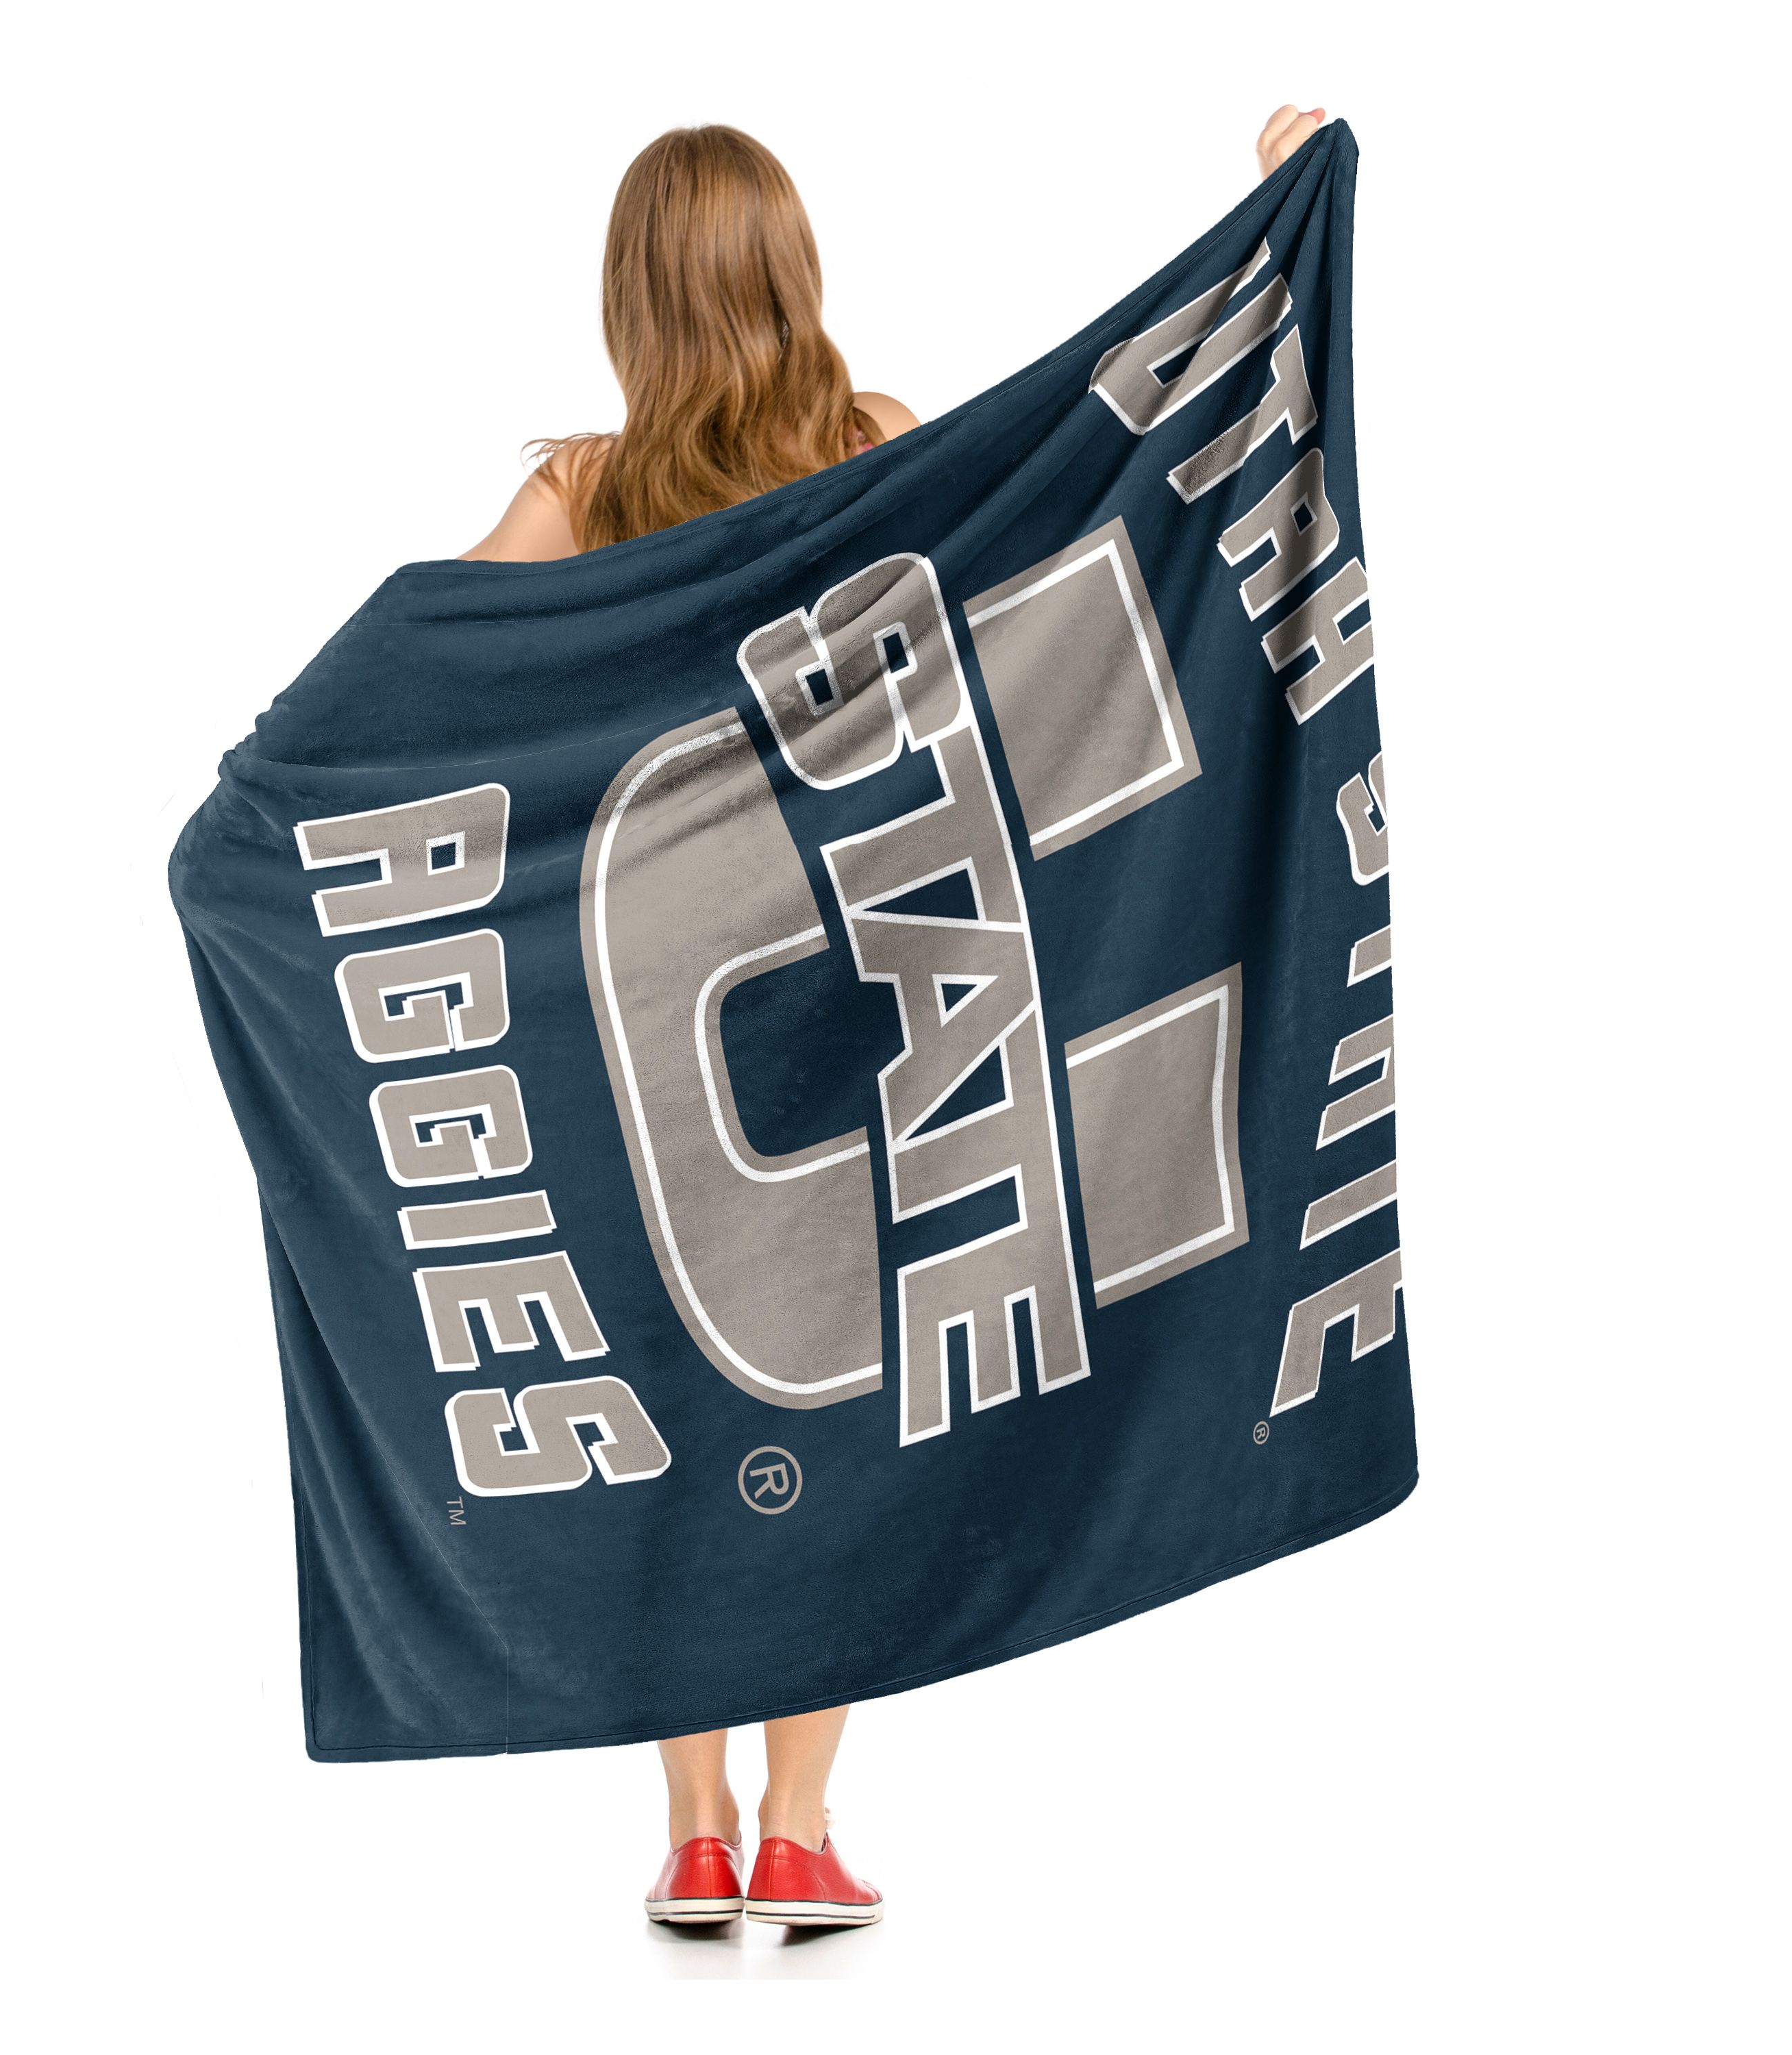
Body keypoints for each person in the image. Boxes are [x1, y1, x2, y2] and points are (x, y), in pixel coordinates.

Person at [463, 104, 1328, 1929]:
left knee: (681, 1439)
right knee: (848, 1433)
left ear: (629, 298)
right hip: (865, 1015)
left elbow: (427, 690)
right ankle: (797, 1825)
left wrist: (265, 805)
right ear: (794, 270)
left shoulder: (579, 492)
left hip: (650, 1050)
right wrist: (1277, 226)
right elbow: (1073, 531)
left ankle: (696, 1831)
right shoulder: (876, 448)